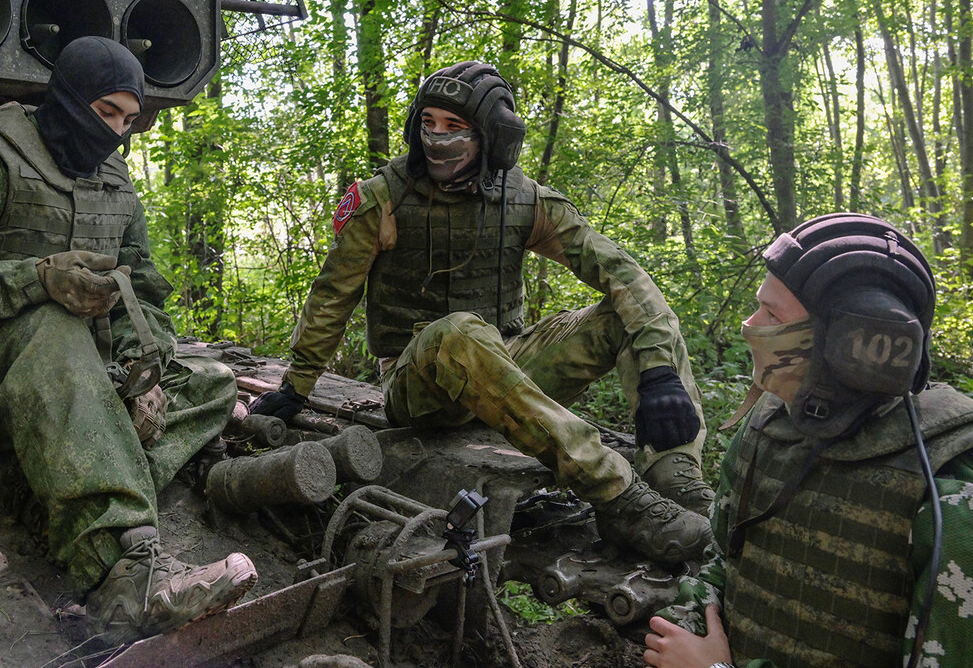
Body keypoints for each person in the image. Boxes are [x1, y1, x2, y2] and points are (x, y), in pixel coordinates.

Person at [0, 36, 256, 640]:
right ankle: (125, 573)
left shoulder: (115, 182)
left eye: (130, 121)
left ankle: (42, 493)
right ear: (68, 99)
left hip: (53, 391)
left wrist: (143, 371)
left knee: (211, 383)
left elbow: (140, 289)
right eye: (106, 114)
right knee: (51, 326)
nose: (118, 134)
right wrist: (35, 280)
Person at [250, 60, 713, 562]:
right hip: (419, 383)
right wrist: (298, 384)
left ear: (493, 137)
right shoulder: (381, 198)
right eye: (427, 123)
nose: (437, 138)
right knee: (459, 332)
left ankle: (676, 474)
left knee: (635, 310)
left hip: (503, 362)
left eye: (455, 128)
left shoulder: (523, 199)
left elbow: (619, 271)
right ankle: (619, 496)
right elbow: (332, 296)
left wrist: (660, 373)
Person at [645, 212, 973, 668]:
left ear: (853, 345)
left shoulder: (961, 507)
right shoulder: (770, 426)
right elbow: (722, 564)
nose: (750, 326)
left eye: (772, 315)